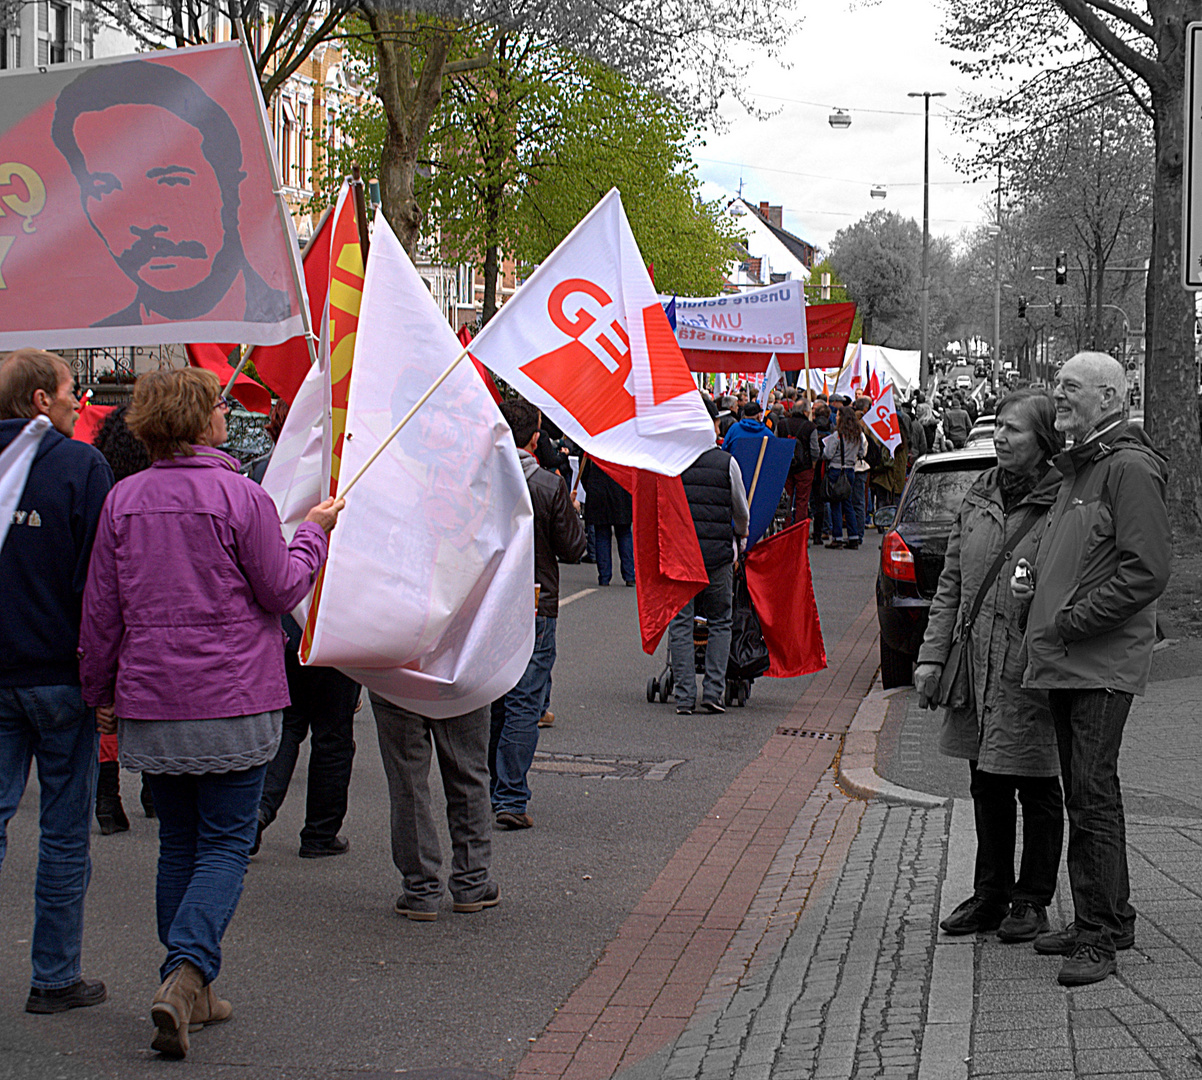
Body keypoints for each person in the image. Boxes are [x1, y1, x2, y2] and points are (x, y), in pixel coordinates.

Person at [79, 368, 342, 1058]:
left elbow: (101, 610)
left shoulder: (123, 501)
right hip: (232, 696)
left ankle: (192, 988)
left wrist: (99, 693)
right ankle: (186, 973)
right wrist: (313, 534)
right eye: (220, 407)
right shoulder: (241, 498)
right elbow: (283, 586)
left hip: (154, 697)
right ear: (202, 421)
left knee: (180, 845)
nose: (227, 411)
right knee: (225, 843)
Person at [1018, 352, 1170, 987]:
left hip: (1096, 659)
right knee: (1090, 791)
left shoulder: (1126, 468)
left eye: (1070, 387)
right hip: (1072, 659)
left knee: (1090, 794)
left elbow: (1147, 570)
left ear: (1109, 397)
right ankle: (1109, 917)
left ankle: (1099, 935)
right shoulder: (1088, 466)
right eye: (1058, 385)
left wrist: (1073, 620)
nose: (1059, 396)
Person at [914, 389, 1065, 943]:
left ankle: (1032, 899)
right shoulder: (979, 496)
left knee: (1038, 785)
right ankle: (990, 894)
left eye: (1015, 430)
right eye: (998, 426)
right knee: (986, 780)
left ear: (1044, 439)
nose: (1001, 437)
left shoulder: (1061, 501)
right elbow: (951, 585)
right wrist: (931, 657)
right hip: (976, 666)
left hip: (1030, 667)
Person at [0, 348, 113, 1015]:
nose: (82, 400)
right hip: (59, 677)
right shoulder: (78, 465)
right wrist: (103, 683)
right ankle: (53, 975)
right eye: (74, 389)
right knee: (65, 832)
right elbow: (98, 585)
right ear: (41, 400)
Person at [51, 60, 290, 328]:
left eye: (170, 183)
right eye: (105, 191)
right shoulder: (100, 335)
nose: (142, 224)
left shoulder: (294, 331)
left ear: (231, 189)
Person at [245, 398, 360, 861]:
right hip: (331, 614)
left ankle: (258, 812)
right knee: (333, 731)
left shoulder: (254, 475)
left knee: (287, 725)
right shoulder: (346, 475)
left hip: (279, 619)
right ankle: (319, 833)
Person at [490, 399, 585, 830]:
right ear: (533, 438)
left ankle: (489, 787)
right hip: (534, 601)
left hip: (490, 602)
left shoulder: (482, 478)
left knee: (493, 697)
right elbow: (573, 548)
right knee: (525, 700)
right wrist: (572, 515)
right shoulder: (549, 485)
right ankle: (509, 795)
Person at [370, 690, 500, 921]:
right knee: (468, 775)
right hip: (461, 676)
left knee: (407, 784)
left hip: (394, 674)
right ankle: (472, 880)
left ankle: (420, 889)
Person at [90, 404, 154, 834]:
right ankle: (154, 787)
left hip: (110, 607)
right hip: (149, 609)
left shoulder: (104, 493)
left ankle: (107, 797)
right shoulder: (155, 493)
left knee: (107, 707)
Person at [669, 402, 750, 715]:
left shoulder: (672, 462)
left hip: (681, 555)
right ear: (712, 425)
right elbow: (740, 510)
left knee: (681, 623)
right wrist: (740, 536)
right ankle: (713, 692)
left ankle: (684, 695)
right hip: (717, 555)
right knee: (720, 621)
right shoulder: (726, 463)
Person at [579, 457, 635, 587]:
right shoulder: (624, 442)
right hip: (621, 485)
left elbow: (584, 467)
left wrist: (590, 485)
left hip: (598, 485)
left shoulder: (593, 440)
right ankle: (629, 575)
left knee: (602, 534)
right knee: (624, 533)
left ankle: (604, 576)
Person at [821, 407, 867, 549]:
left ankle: (837, 537)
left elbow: (828, 454)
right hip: (850, 470)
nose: (836, 417)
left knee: (835, 504)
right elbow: (862, 452)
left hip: (836, 469)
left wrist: (825, 450)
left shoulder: (837, 435)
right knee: (848, 504)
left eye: (838, 415)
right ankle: (853, 537)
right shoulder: (857, 434)